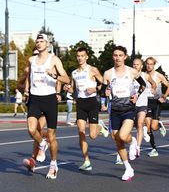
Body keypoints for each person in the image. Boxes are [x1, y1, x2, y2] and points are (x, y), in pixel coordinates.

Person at [24, 33, 70, 179]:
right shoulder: (31, 60)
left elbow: (67, 78)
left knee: (51, 135)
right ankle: (42, 144)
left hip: (49, 99)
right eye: (37, 41)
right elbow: (28, 77)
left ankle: (53, 164)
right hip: (35, 99)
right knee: (32, 129)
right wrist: (26, 90)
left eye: (42, 41)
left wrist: (55, 76)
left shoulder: (54, 59)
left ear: (48, 44)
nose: (39, 43)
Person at [102, 46, 146, 181]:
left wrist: (137, 95)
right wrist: (104, 95)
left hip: (128, 109)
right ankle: (128, 168)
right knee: (117, 140)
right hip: (114, 110)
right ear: (113, 57)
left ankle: (133, 141)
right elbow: (104, 90)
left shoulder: (132, 72)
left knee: (122, 135)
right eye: (115, 55)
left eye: (120, 55)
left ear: (125, 57)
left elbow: (143, 85)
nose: (118, 58)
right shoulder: (108, 73)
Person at [65, 47, 109, 171]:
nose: (80, 58)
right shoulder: (74, 73)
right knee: (81, 132)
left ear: (86, 57)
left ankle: (101, 127)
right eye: (78, 56)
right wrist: (69, 89)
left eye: (82, 56)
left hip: (92, 102)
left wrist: (95, 89)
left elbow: (104, 84)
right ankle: (86, 161)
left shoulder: (92, 70)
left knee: (93, 136)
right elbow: (74, 90)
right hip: (80, 103)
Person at [144, 57, 169, 157]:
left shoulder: (159, 75)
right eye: (147, 63)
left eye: (151, 64)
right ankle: (154, 149)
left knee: (153, 127)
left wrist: (164, 96)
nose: (149, 66)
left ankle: (159, 125)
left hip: (157, 102)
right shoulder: (143, 75)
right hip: (146, 101)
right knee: (147, 126)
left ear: (154, 65)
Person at [132, 58, 156, 158]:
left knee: (140, 124)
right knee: (133, 126)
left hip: (142, 104)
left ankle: (137, 147)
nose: (135, 66)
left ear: (141, 66)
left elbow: (153, 83)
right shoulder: (129, 75)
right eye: (134, 64)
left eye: (137, 64)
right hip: (131, 104)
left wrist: (153, 89)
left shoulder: (145, 75)